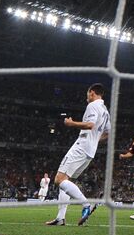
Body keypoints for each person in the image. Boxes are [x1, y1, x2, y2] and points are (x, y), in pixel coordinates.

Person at [47, 83, 111, 227]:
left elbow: (90, 125)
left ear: (92, 92)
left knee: (59, 179)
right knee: (66, 181)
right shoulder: (105, 111)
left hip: (81, 146)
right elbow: (108, 133)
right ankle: (60, 218)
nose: (87, 96)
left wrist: (71, 123)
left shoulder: (93, 106)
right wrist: (94, 140)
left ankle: (86, 204)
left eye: (87, 93)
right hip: (90, 150)